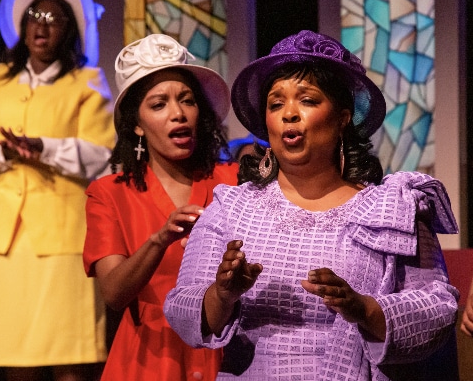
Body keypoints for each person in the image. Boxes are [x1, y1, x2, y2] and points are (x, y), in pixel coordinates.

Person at [164, 30, 460, 380]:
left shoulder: (392, 206)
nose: (289, 113)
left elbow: (438, 308)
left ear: (342, 118)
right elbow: (182, 310)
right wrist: (222, 294)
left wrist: (363, 308)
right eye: (276, 104)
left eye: (307, 100)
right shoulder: (231, 208)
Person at [0, 0, 115, 380]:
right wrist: (7, 152)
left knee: (72, 355)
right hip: (6, 237)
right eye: (33, 17)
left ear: (69, 30)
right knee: (18, 355)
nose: (41, 28)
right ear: (22, 25)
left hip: (63, 236)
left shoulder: (86, 81)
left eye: (52, 20)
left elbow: (100, 154)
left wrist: (45, 148)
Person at [82, 33, 238, 380]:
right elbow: (114, 293)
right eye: (158, 105)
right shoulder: (108, 194)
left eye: (187, 100)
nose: (178, 114)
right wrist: (158, 240)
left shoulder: (233, 181)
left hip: (227, 353)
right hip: (150, 360)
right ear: (137, 125)